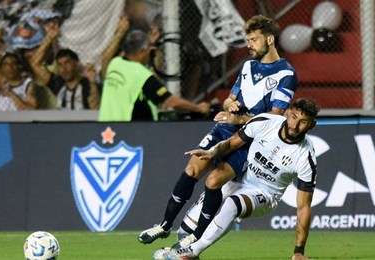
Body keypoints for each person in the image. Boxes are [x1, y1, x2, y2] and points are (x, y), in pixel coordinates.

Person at [138, 14, 298, 245]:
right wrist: (228, 105)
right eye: (248, 39)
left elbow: (275, 118)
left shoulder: (286, 73)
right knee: (192, 168)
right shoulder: (247, 67)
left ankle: (195, 236)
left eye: (253, 39)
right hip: (224, 129)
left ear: (270, 40)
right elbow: (228, 100)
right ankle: (164, 226)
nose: (249, 45)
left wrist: (238, 119)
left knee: (213, 182)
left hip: (250, 141)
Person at [161, 97, 320, 260]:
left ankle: (192, 251)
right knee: (185, 232)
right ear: (288, 113)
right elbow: (231, 144)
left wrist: (299, 251)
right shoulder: (265, 122)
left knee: (232, 204)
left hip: (264, 194)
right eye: (294, 117)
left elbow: (303, 207)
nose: (295, 125)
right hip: (237, 181)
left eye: (303, 122)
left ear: (311, 125)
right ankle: (189, 252)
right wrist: (213, 152)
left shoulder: (305, 157)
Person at [98, 29, 211, 121]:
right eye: (148, 49)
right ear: (141, 52)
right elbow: (171, 101)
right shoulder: (142, 75)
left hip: (107, 131)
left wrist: (147, 44)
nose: (151, 50)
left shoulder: (114, 63)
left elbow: (130, 53)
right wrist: (198, 108)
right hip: (130, 132)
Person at [29, 24, 100, 110]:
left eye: (67, 63)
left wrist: (92, 82)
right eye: (60, 64)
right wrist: (49, 38)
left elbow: (95, 108)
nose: (64, 68)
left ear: (77, 64)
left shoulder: (87, 84)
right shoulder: (58, 84)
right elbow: (34, 63)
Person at [0, 30, 38, 111]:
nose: (10, 67)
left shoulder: (28, 84)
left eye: (13, 64)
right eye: (6, 64)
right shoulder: (3, 81)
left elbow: (31, 110)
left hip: (20, 122)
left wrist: (10, 93)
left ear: (19, 66)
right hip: (2, 122)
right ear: (1, 69)